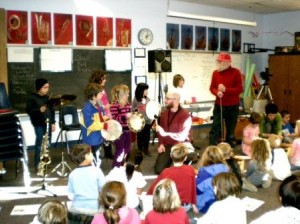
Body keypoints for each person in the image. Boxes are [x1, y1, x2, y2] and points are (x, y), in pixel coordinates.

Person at [147, 143, 198, 214]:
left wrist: (148, 195)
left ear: (171, 156)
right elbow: (193, 187)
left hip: (170, 205)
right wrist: (193, 204)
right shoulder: (190, 169)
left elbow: (155, 187)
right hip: (185, 206)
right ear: (185, 158)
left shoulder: (166, 171)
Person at [209, 52, 243, 147]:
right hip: (219, 105)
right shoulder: (215, 73)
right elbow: (212, 88)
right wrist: (217, 92)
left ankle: (229, 149)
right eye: (218, 61)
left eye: (220, 61)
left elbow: (239, 89)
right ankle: (211, 147)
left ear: (227, 63)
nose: (218, 63)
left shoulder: (236, 72)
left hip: (232, 106)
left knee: (230, 129)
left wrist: (225, 90)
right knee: (215, 127)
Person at [154, 91, 193, 174]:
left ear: (175, 100)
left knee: (184, 168)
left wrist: (166, 134)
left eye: (167, 99)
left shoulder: (185, 116)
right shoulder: (164, 113)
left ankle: (181, 160)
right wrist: (161, 143)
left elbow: (182, 137)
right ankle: (174, 160)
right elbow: (160, 130)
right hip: (167, 145)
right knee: (159, 170)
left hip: (180, 145)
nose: (165, 100)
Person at [67, 143, 106, 221]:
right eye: (90, 153)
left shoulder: (72, 174)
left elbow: (70, 195)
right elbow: (104, 189)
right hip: (94, 209)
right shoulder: (96, 171)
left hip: (76, 210)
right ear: (86, 156)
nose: (92, 155)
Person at [26, 78, 56, 170]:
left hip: (48, 124)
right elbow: (29, 111)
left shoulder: (47, 98)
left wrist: (53, 122)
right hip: (39, 124)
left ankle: (45, 162)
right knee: (39, 144)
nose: (47, 89)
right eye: (45, 87)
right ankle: (37, 164)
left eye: (48, 87)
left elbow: (52, 111)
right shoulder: (32, 98)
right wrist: (39, 110)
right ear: (39, 88)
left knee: (47, 144)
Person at [80, 83, 110, 167]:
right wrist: (103, 125)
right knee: (92, 159)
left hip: (97, 137)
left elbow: (100, 117)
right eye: (100, 93)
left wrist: (106, 119)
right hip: (91, 139)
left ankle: (95, 169)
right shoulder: (87, 108)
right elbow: (90, 125)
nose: (102, 94)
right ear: (93, 96)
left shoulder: (98, 104)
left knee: (96, 155)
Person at [196, 145, 229, 213]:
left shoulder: (204, 172)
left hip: (206, 205)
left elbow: (198, 190)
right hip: (222, 201)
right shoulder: (225, 168)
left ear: (205, 158)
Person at [89, 70, 113, 159]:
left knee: (107, 135)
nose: (105, 80)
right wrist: (105, 106)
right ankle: (94, 155)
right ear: (98, 79)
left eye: (105, 78)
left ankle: (108, 153)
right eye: (103, 78)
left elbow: (104, 101)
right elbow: (95, 103)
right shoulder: (94, 90)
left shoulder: (102, 89)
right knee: (99, 135)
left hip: (106, 114)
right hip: (100, 115)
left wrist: (109, 105)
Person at [110, 84, 132, 167]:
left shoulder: (127, 104)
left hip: (127, 130)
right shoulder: (114, 105)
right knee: (120, 151)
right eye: (127, 93)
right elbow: (114, 119)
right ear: (122, 94)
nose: (128, 95)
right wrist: (125, 116)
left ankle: (122, 165)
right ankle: (115, 168)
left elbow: (128, 116)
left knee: (127, 149)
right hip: (119, 131)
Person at [131, 83, 152, 156]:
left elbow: (151, 109)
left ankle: (146, 149)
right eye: (146, 90)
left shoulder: (148, 99)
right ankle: (139, 149)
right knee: (140, 136)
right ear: (141, 91)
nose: (147, 92)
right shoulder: (136, 99)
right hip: (139, 121)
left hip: (147, 121)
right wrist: (135, 110)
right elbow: (132, 109)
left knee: (147, 136)